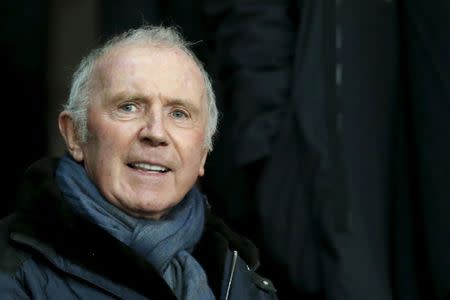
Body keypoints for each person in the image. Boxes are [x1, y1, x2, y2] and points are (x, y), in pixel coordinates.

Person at [0, 25, 277, 300]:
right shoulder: (12, 272)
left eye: (179, 114)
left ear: (204, 151)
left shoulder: (241, 279)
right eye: (129, 106)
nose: (156, 132)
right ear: (75, 134)